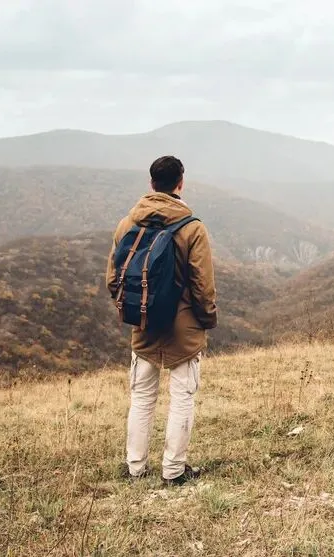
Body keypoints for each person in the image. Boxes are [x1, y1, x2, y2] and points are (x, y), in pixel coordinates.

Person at [105, 155, 218, 486]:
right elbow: (202, 286)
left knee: (142, 398)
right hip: (183, 328)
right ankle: (173, 470)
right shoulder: (192, 228)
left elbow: (113, 279)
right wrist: (206, 319)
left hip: (143, 323)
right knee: (182, 397)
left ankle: (136, 468)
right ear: (180, 183)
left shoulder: (127, 224)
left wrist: (136, 307)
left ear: (151, 183)